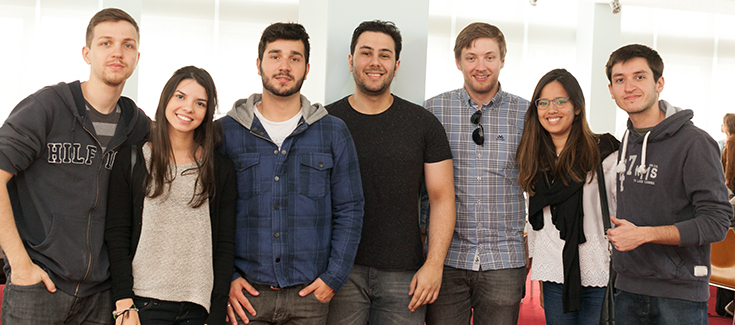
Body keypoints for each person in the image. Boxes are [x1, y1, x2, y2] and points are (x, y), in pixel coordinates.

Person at [0, 8, 150, 324]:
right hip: (39, 285)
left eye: (127, 45)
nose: (117, 53)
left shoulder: (136, 124)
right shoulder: (48, 107)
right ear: (87, 53)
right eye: (106, 43)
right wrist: (19, 264)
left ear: (137, 57)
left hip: (100, 296)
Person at [220, 22, 365, 325]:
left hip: (310, 298)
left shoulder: (332, 131)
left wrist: (333, 278)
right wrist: (227, 278)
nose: (284, 66)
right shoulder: (225, 132)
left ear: (307, 68)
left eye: (294, 58)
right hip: (246, 298)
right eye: (275, 56)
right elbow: (207, 213)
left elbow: (350, 209)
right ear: (258, 64)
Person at [324, 20, 456, 325]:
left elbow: (442, 198)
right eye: (366, 52)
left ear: (396, 66)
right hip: (340, 272)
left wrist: (434, 265)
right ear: (350, 60)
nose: (375, 62)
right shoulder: (326, 121)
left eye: (384, 55)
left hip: (405, 275)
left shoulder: (423, 124)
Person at [605, 44, 731, 324]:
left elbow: (717, 222)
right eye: (620, 79)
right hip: (627, 287)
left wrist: (645, 234)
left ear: (659, 83)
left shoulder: (694, 143)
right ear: (611, 90)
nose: (629, 87)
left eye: (639, 77)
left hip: (679, 295)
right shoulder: (627, 141)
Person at [105, 66, 236, 325]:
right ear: (166, 99)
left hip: (199, 308)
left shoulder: (220, 168)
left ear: (208, 112)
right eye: (180, 97)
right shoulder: (133, 159)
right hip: (142, 304)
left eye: (200, 103)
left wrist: (217, 312)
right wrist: (123, 302)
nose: (188, 108)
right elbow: (117, 233)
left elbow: (224, 246)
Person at [423, 22, 529, 325]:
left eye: (489, 57)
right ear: (458, 62)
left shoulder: (526, 114)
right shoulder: (433, 111)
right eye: (471, 57)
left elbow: (538, 182)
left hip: (504, 260)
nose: (480, 66)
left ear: (502, 61)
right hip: (446, 259)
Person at [516, 69, 619, 324]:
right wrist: (539, 277)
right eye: (543, 102)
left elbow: (625, 207)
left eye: (561, 101)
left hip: (599, 272)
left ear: (577, 107)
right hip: (554, 276)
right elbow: (538, 225)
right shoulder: (535, 160)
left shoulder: (604, 153)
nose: (552, 109)